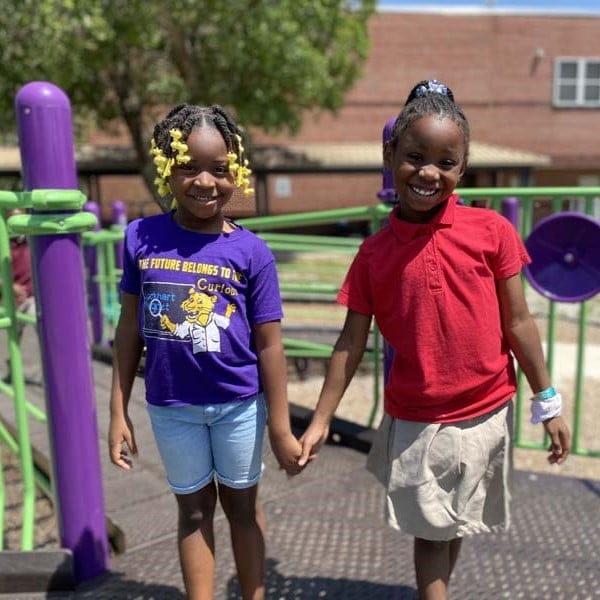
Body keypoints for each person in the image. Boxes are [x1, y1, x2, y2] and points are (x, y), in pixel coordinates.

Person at [298, 80, 571, 600]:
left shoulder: (491, 231)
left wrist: (548, 401)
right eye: (414, 157)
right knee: (430, 531)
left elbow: (519, 324)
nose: (429, 173)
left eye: (446, 162)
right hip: (419, 416)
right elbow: (350, 344)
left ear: (462, 167)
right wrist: (322, 418)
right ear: (390, 156)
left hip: (487, 409)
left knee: (456, 522)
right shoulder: (374, 255)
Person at [108, 104, 302, 600]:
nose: (204, 181)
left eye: (220, 169)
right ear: (166, 168)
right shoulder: (140, 237)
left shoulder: (251, 252)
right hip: (172, 409)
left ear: (235, 171)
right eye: (189, 166)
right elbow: (129, 328)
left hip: (238, 406)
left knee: (241, 506)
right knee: (193, 511)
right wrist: (117, 410)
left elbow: (270, 343)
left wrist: (280, 426)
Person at [1, 209, 36, 382]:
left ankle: (52, 368)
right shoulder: (4, 244)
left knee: (40, 325)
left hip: (30, 297)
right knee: (15, 338)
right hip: (12, 299)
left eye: (20, 219)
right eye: (13, 220)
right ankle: (12, 368)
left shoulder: (31, 240)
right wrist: (10, 285)